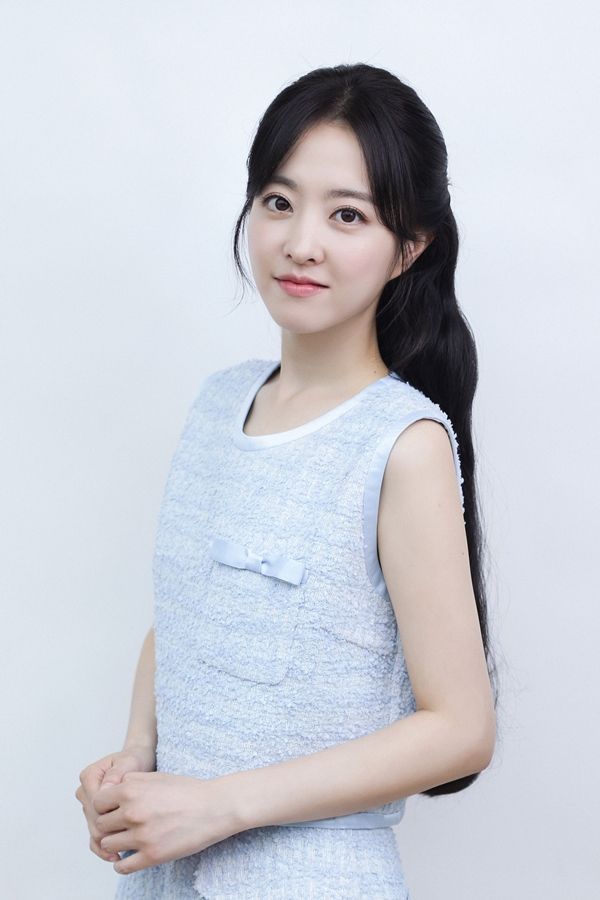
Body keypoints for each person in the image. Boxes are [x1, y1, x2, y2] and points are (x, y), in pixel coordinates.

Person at [75, 62, 498, 899]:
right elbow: (186, 617)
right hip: (161, 878)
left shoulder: (401, 442)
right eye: (278, 201)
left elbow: (461, 728)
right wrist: (134, 761)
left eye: (348, 215)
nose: (301, 242)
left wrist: (221, 806)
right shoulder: (217, 403)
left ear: (410, 247)